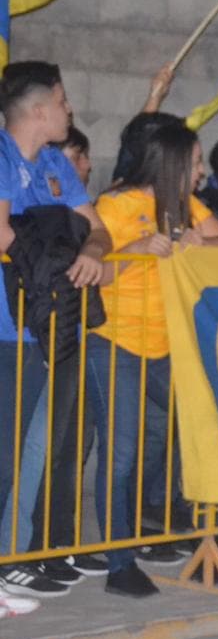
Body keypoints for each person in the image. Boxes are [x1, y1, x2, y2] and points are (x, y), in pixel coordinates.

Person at [87, 123, 218, 597]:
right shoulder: (115, 205)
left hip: (164, 347)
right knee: (118, 454)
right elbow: (95, 274)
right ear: (172, 162)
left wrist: (203, 242)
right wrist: (133, 251)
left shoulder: (184, 208)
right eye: (195, 162)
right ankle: (120, 563)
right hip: (115, 344)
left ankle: (211, 538)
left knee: (196, 430)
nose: (200, 172)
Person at [0, 62, 110, 599]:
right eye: (63, 102)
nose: (69, 110)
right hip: (8, 327)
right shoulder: (1, 159)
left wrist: (87, 249)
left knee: (38, 446)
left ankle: (16, 553)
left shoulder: (54, 166)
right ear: (39, 110)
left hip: (55, 322)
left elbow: (98, 228)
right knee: (4, 451)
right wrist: (57, 239)